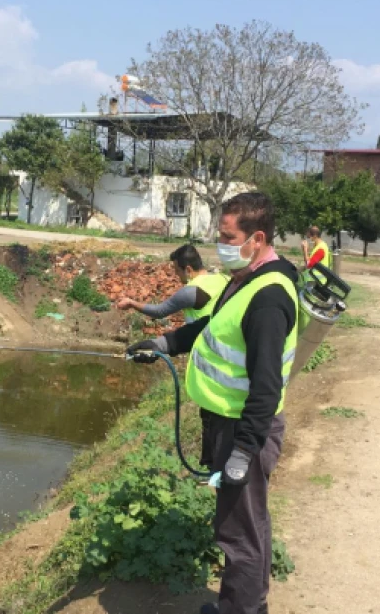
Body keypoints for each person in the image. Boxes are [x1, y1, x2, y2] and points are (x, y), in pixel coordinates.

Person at [127, 192, 298, 614]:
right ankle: (243, 607)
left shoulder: (269, 297)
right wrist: (164, 343)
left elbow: (266, 384)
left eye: (227, 236)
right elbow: (211, 326)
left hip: (243, 428)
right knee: (249, 524)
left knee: (238, 532)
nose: (219, 243)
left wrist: (244, 447)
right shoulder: (247, 278)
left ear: (256, 238)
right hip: (228, 421)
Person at [115, 244, 229, 322]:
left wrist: (131, 303)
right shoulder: (226, 279)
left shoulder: (191, 291)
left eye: (177, 271)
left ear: (188, 270)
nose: (176, 274)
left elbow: (160, 311)